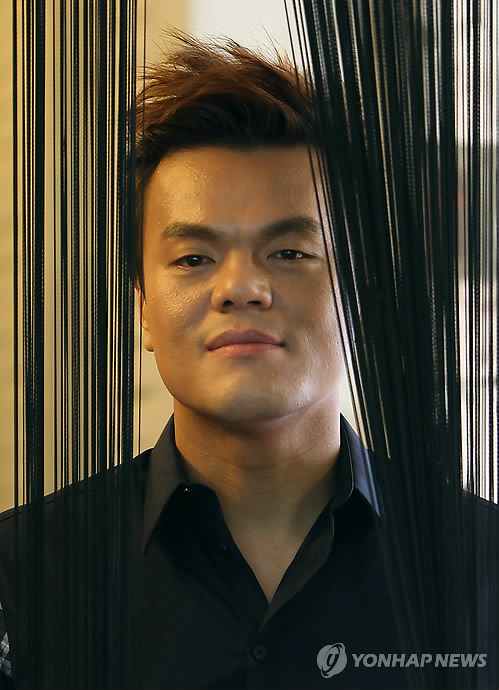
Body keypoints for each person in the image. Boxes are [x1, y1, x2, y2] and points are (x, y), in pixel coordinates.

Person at [0, 31, 494, 690]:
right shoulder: (23, 574)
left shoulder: (477, 568)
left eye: (289, 253)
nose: (239, 287)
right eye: (193, 258)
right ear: (143, 309)